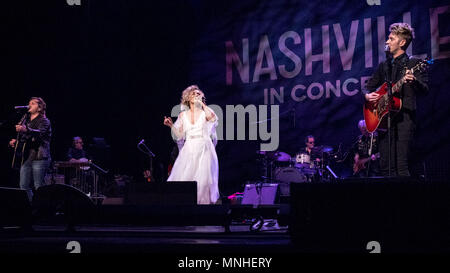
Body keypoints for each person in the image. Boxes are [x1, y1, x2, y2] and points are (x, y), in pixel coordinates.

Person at [364, 23, 428, 177]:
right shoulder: (384, 65)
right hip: (385, 119)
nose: (387, 41)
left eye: (391, 38)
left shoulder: (414, 63)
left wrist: (414, 81)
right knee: (385, 166)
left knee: (401, 166)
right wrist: (367, 94)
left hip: (404, 119)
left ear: (402, 42)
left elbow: (425, 90)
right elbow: (367, 86)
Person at [163, 85, 219, 204]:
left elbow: (212, 119)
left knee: (203, 181)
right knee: (185, 178)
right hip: (189, 148)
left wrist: (202, 104)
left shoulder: (206, 111)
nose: (196, 95)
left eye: (199, 94)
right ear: (188, 98)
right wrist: (171, 125)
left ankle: (203, 210)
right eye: (193, 94)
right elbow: (179, 136)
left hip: (204, 148)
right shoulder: (183, 115)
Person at [9, 97, 51, 201]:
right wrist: (16, 141)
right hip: (26, 157)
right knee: (23, 186)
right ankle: (32, 207)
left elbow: (39, 133)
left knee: (39, 186)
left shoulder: (44, 121)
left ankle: (43, 209)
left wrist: (25, 129)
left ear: (39, 107)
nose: (29, 105)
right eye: (29, 103)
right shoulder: (25, 119)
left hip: (39, 157)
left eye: (33, 103)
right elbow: (25, 137)